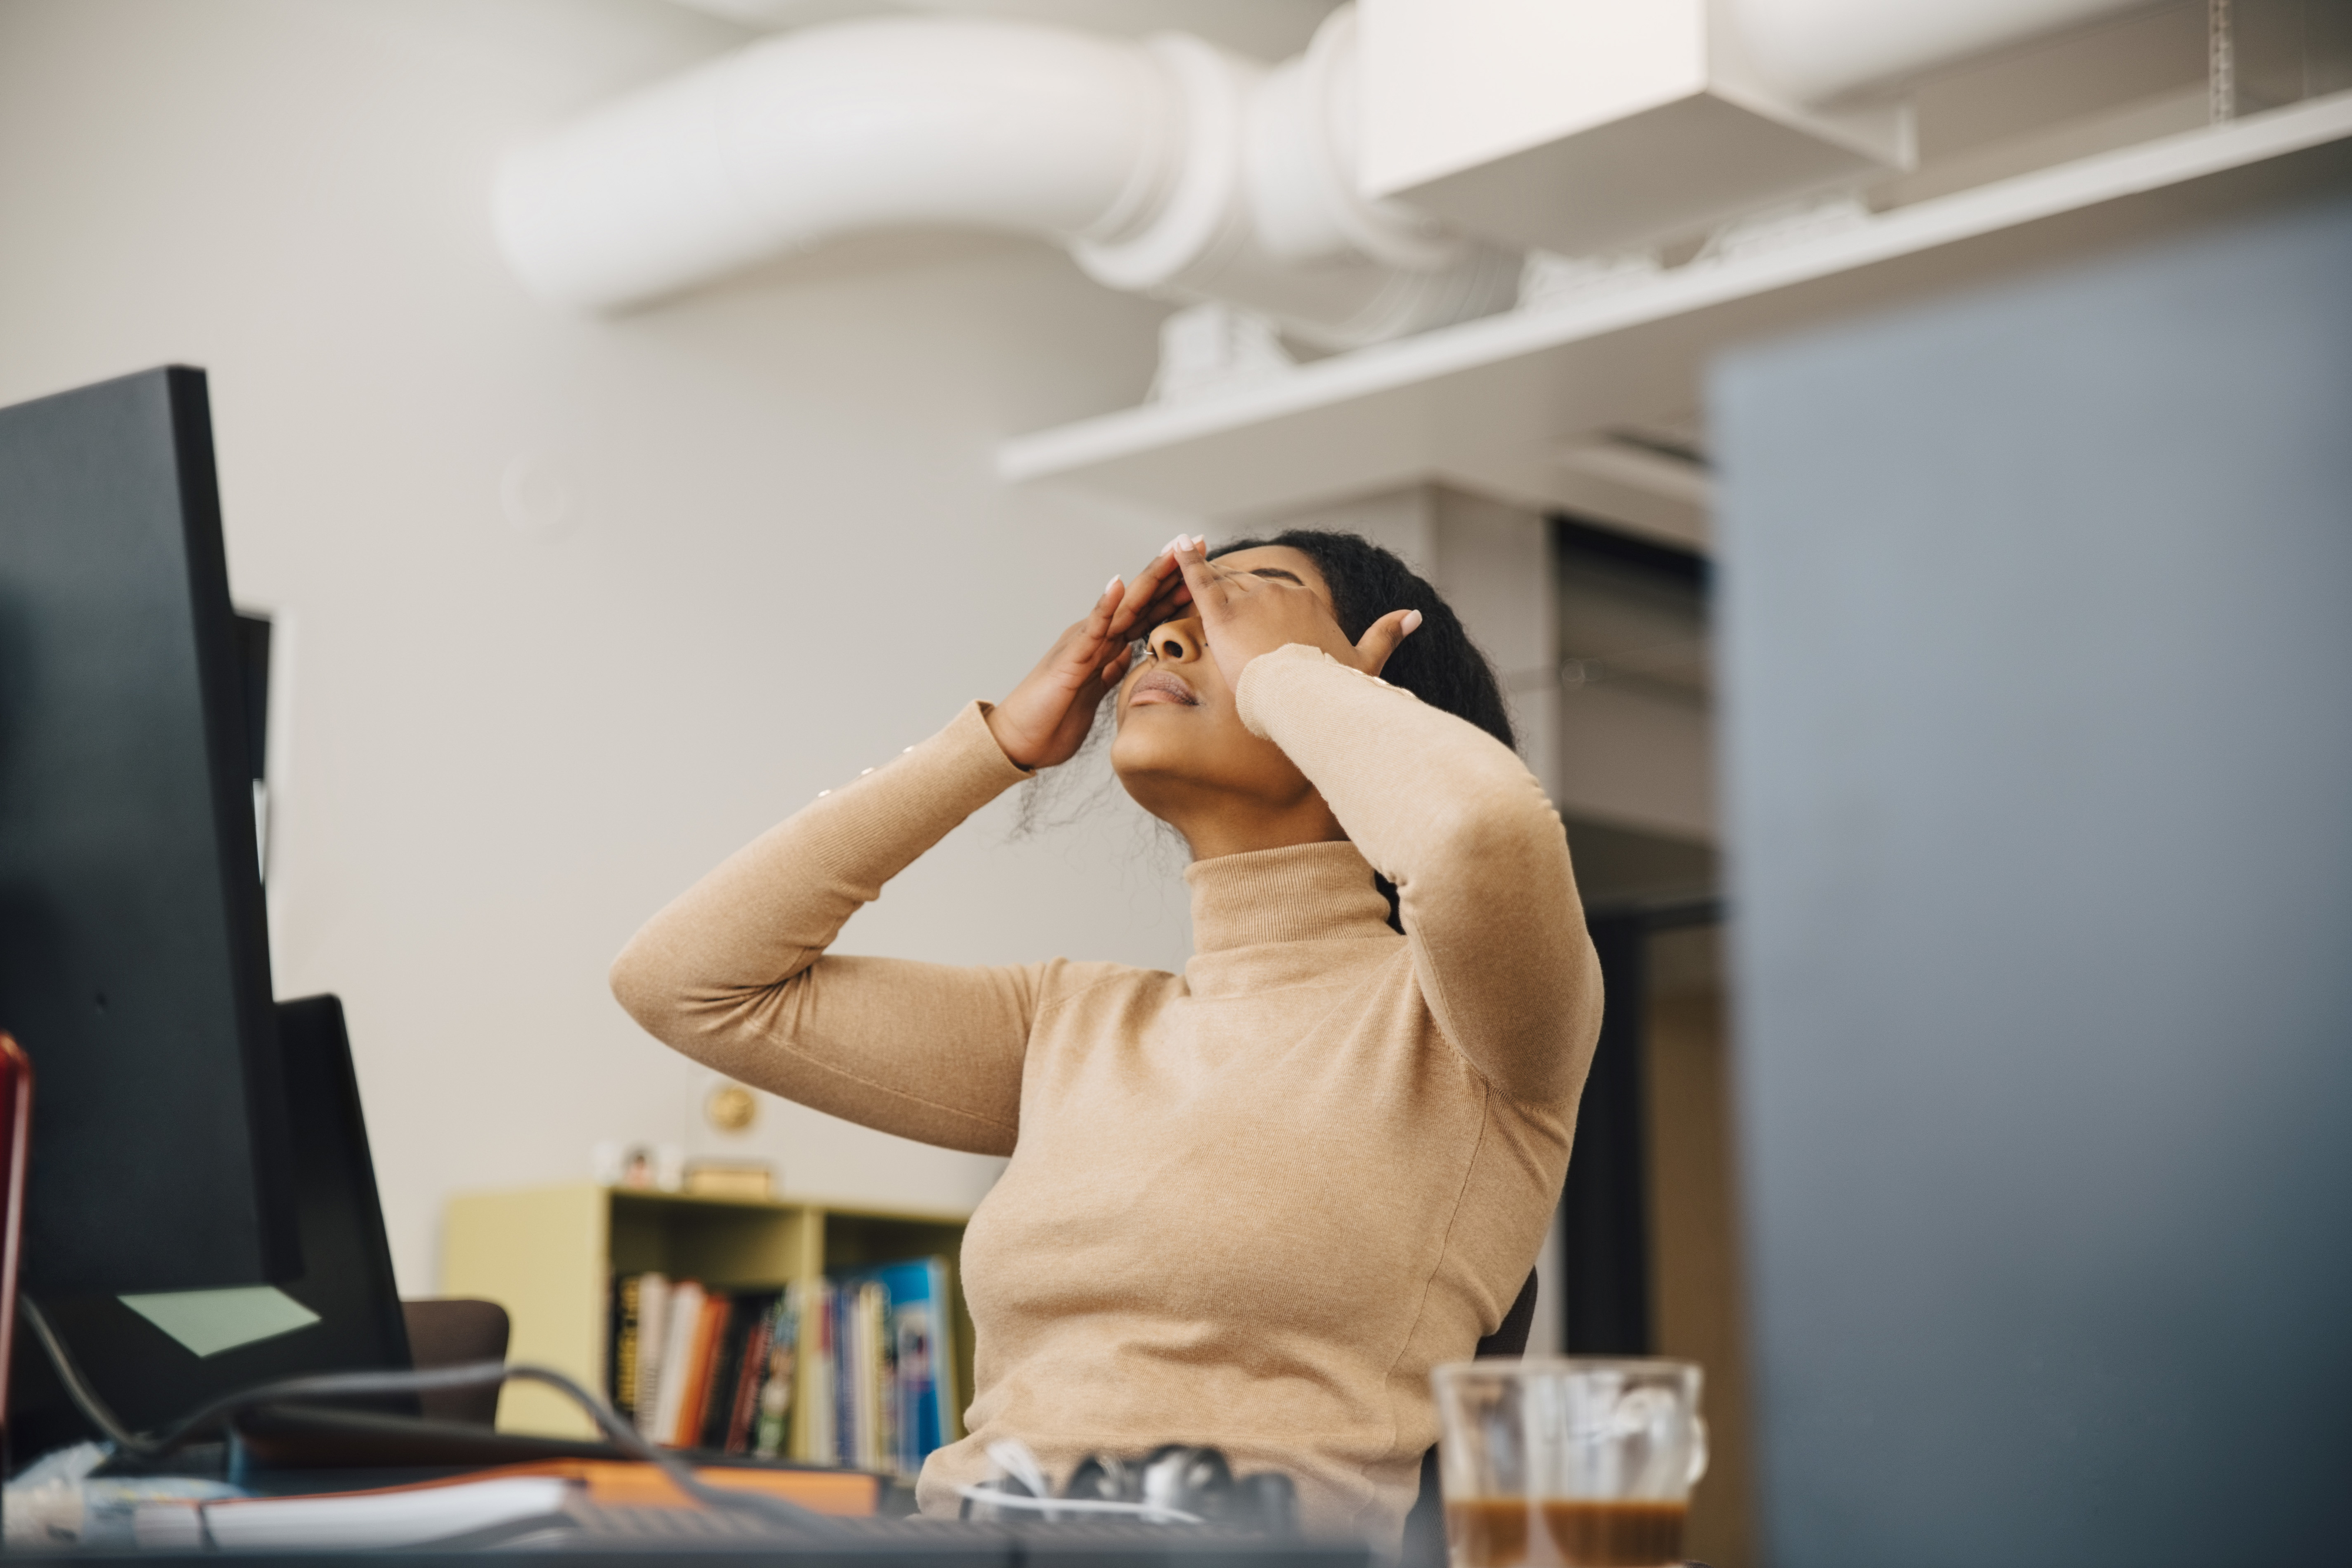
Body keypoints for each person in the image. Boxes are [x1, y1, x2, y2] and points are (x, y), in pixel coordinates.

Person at [610, 531, 1602, 1540]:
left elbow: (1482, 832)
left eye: (1241, 609)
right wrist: (991, 746)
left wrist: (1291, 682)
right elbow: (687, 984)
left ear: (1366, 683)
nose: (1169, 640)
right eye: (1167, 623)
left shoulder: (1470, 1025)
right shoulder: (1071, 1022)